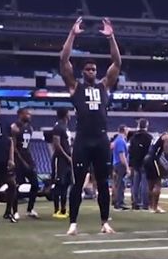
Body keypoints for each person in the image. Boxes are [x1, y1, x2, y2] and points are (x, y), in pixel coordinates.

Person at [60, 16, 121, 235]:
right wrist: (72, 35)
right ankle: (73, 223)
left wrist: (111, 37)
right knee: (77, 183)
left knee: (103, 183)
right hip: (83, 140)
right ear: (83, 72)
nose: (91, 72)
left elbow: (117, 63)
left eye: (94, 69)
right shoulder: (76, 87)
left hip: (102, 139)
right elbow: (64, 62)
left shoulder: (105, 86)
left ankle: (104, 221)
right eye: (87, 69)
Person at [143, 126, 168, 214]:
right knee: (157, 183)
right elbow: (166, 153)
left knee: (150, 185)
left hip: (147, 159)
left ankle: (151, 206)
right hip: (153, 159)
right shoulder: (167, 138)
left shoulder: (160, 135)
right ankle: (155, 207)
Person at [11, 108, 39, 219]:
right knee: (16, 186)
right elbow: (14, 147)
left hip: (27, 157)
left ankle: (30, 209)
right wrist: (22, 162)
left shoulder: (30, 128)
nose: (29, 115)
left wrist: (30, 161)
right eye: (27, 114)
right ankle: (15, 211)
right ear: (20, 114)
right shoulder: (15, 127)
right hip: (18, 159)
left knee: (35, 185)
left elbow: (26, 147)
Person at [51, 108, 72, 219]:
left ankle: (63, 209)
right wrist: (66, 156)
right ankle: (56, 209)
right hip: (60, 160)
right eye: (69, 113)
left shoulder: (65, 127)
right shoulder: (58, 127)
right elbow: (57, 145)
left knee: (65, 185)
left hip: (67, 160)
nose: (70, 115)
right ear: (65, 114)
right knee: (58, 184)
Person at [128, 119, 153, 210]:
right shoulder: (149, 137)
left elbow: (130, 151)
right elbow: (151, 151)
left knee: (136, 183)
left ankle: (135, 202)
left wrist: (131, 164)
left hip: (135, 162)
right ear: (146, 125)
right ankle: (145, 203)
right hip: (145, 162)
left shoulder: (133, 137)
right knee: (144, 183)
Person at [111, 125, 130, 210]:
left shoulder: (117, 140)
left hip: (116, 163)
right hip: (120, 164)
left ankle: (117, 201)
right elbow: (122, 155)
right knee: (120, 184)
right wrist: (127, 167)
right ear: (124, 130)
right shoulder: (120, 141)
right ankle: (119, 202)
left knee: (118, 183)